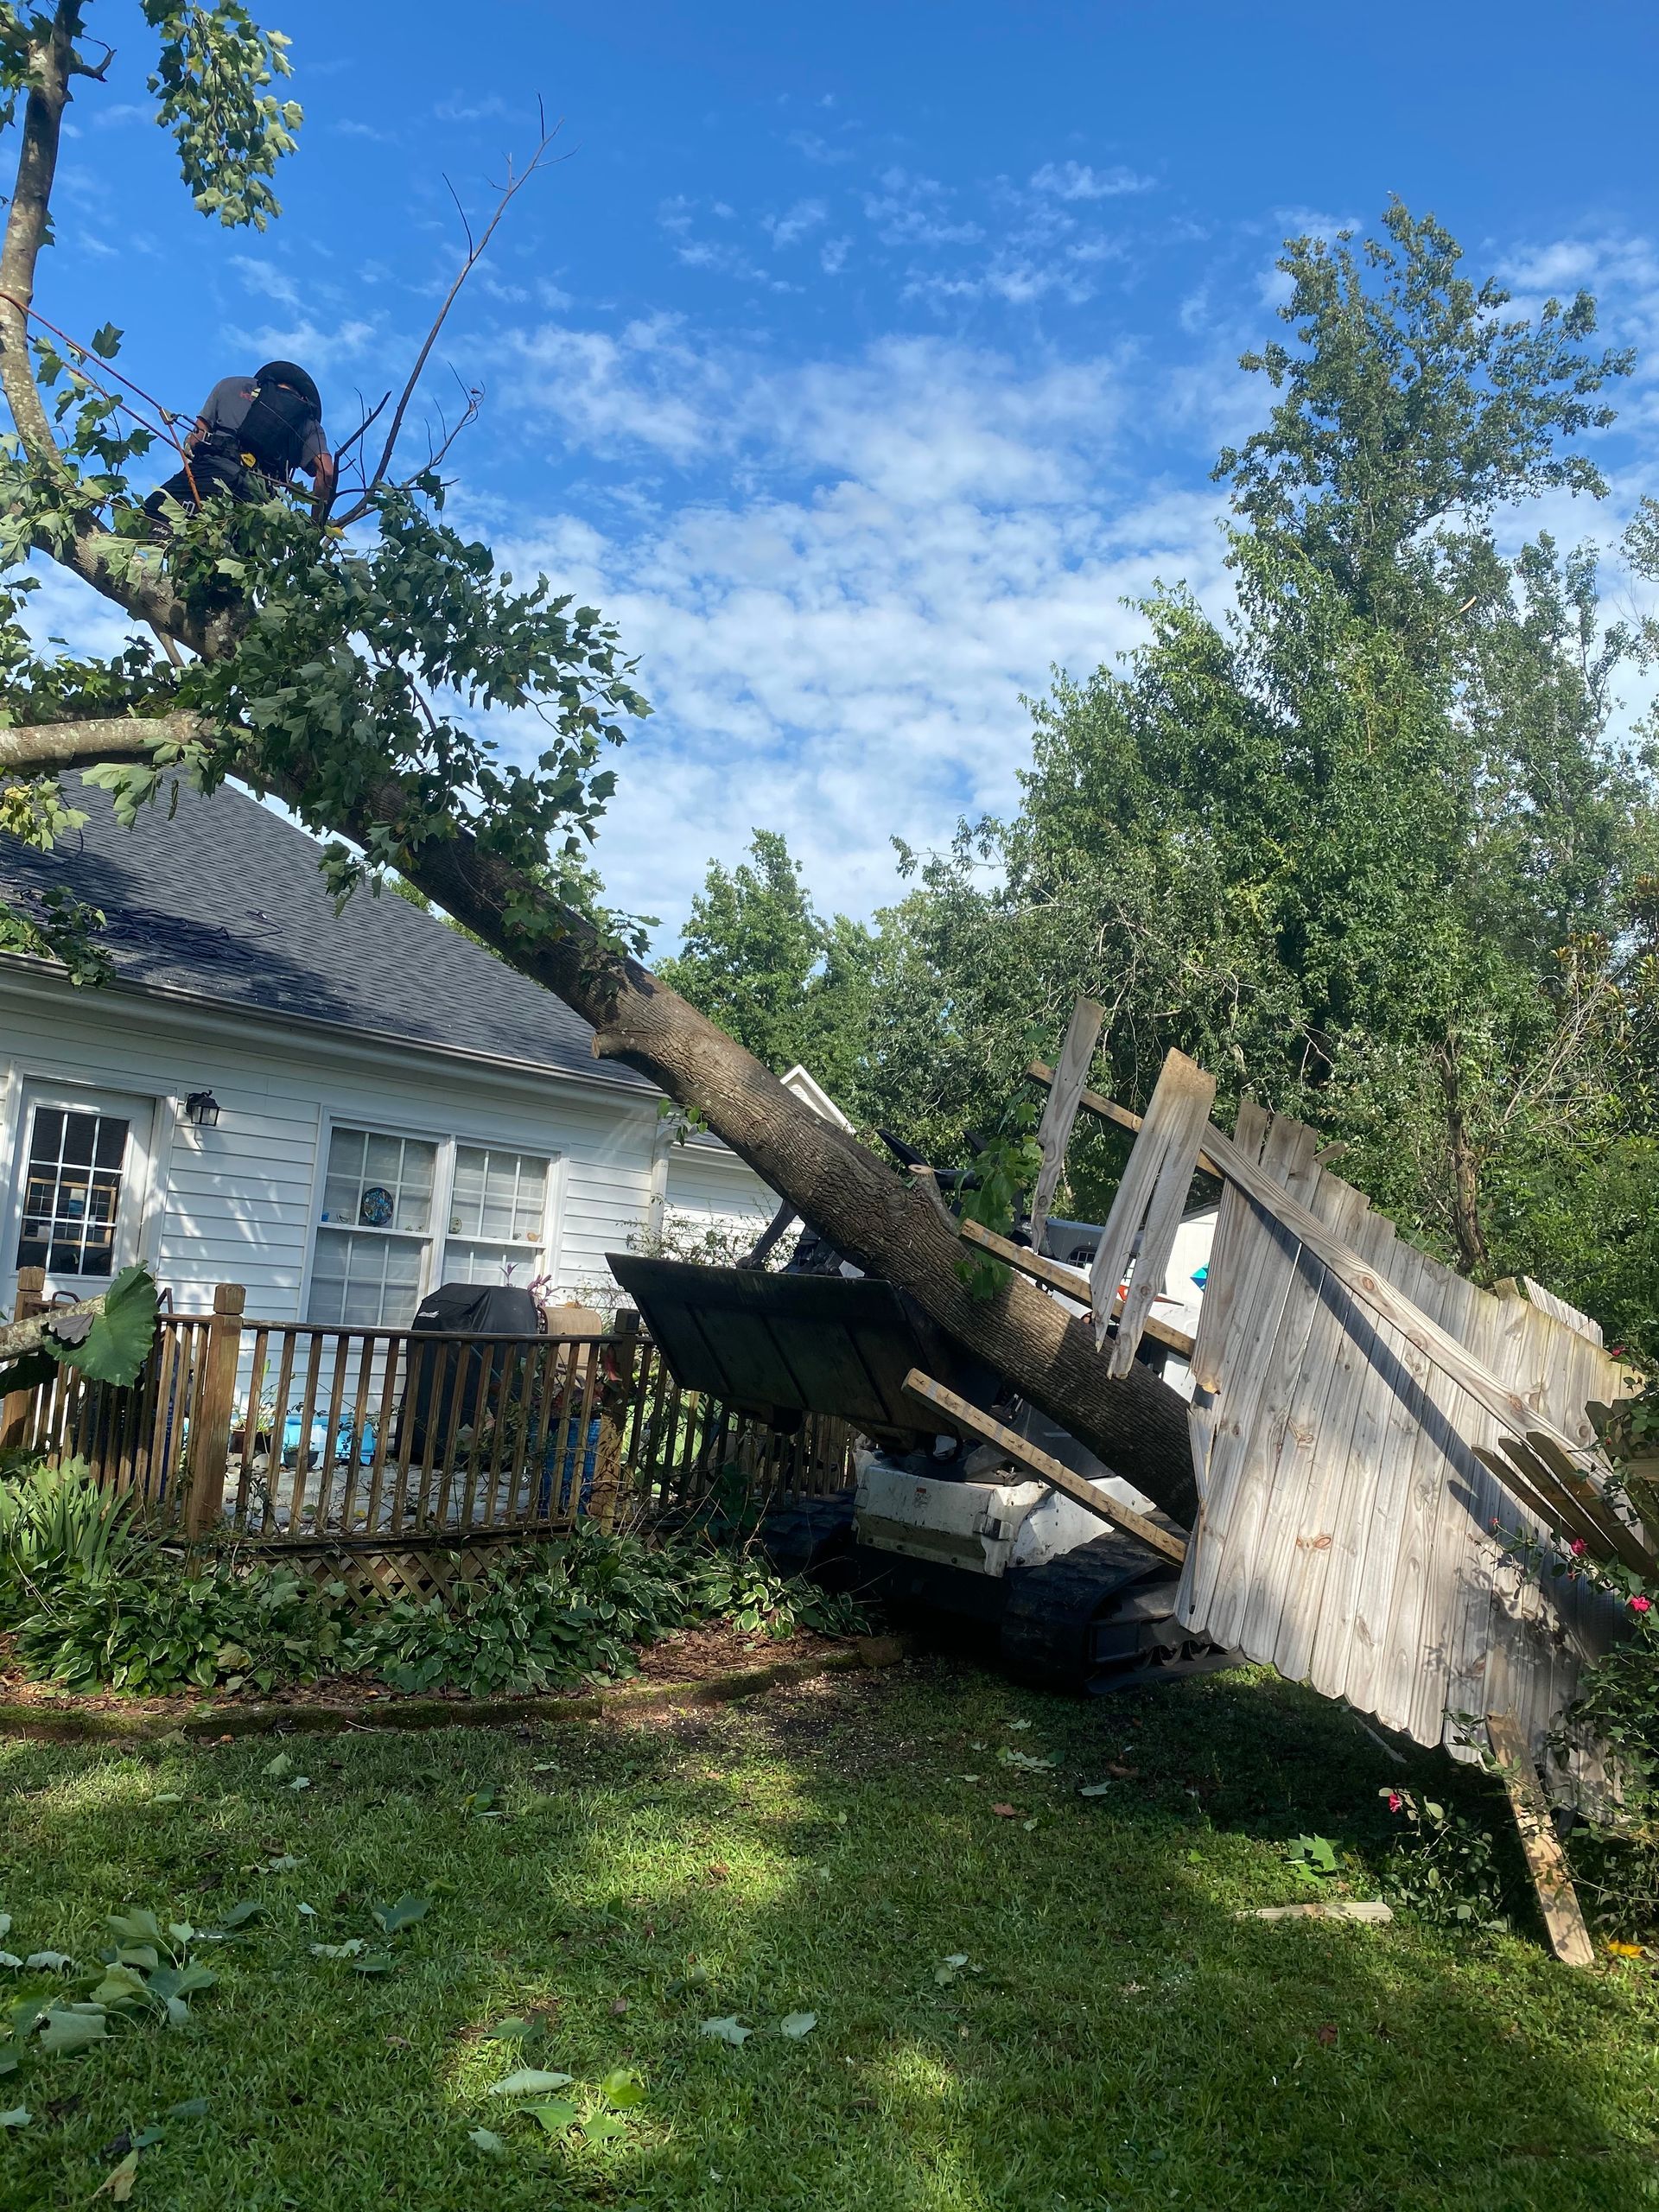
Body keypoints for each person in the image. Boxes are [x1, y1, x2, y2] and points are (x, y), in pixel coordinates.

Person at [143, 359, 337, 528]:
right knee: (234, 565)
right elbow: (326, 472)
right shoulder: (307, 421)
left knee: (143, 522)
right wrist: (316, 523)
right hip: (257, 503)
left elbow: (197, 437)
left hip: (209, 474)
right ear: (304, 397)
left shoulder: (230, 385)